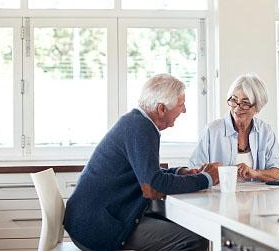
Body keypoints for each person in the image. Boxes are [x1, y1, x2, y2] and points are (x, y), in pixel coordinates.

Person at [64, 73, 219, 251]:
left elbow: (147, 175)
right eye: (181, 104)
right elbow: (154, 183)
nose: (184, 110)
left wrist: (179, 172)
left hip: (100, 217)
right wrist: (207, 178)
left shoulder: (137, 123)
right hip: (98, 227)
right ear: (161, 109)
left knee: (192, 230)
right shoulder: (140, 128)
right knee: (192, 240)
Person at [188, 73, 279, 182]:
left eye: (245, 103)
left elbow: (278, 173)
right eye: (234, 100)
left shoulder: (266, 132)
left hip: (257, 197)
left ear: (257, 107)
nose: (237, 108)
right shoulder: (212, 130)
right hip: (218, 196)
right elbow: (194, 170)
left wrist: (255, 173)